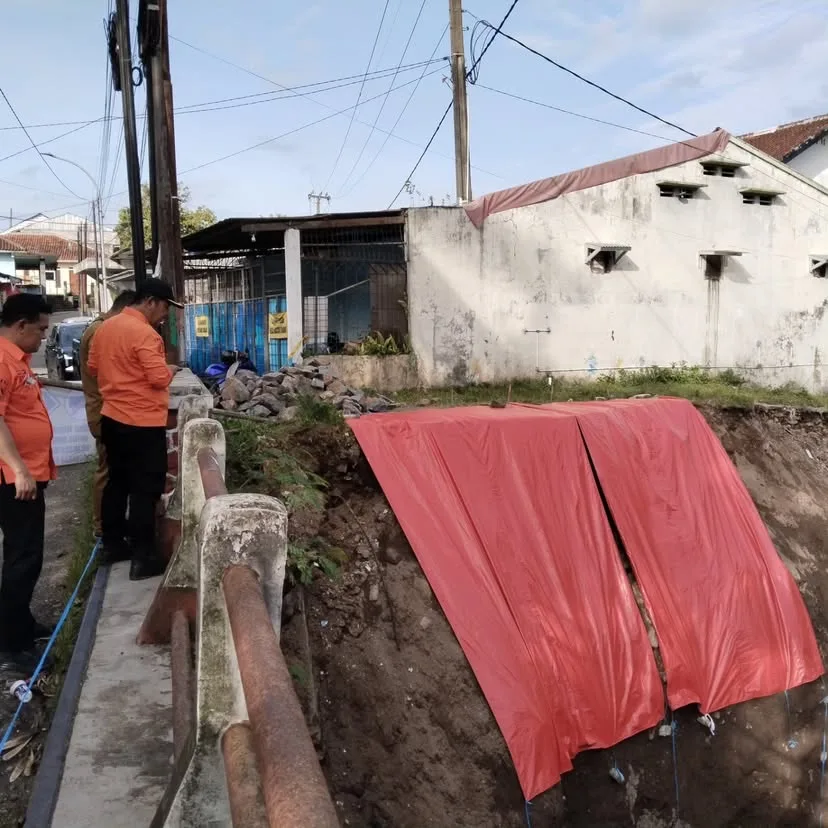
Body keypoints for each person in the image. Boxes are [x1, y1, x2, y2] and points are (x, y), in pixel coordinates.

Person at [87, 279, 183, 581]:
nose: (165, 314)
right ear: (150, 301)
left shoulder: (105, 328)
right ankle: (143, 558)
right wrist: (170, 369)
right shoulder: (145, 333)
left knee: (117, 484)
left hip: (112, 419)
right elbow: (157, 378)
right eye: (165, 307)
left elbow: (93, 368)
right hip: (142, 423)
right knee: (145, 490)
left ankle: (113, 545)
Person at [0, 293, 55, 672]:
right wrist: (18, 469)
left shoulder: (16, 360)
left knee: (25, 555)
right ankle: (14, 643)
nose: (44, 338)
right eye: (41, 330)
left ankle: (20, 621)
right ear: (21, 326)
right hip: (14, 478)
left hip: (28, 472)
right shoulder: (2, 361)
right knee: (23, 558)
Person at [78, 289, 136, 549]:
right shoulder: (101, 331)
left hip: (108, 410)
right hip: (105, 412)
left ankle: (110, 525)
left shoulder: (101, 327)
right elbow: (108, 374)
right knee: (108, 471)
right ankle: (101, 528)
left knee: (114, 469)